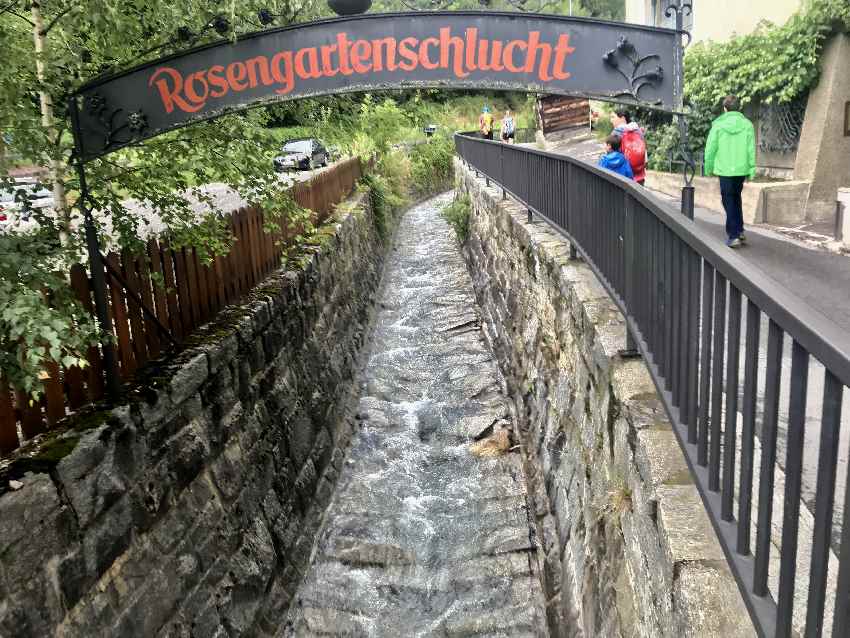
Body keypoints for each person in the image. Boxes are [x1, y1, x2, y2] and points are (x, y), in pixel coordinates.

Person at [704, 95, 756, 248]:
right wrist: (752, 169)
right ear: (739, 108)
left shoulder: (718, 125)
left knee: (728, 200)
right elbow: (751, 149)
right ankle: (739, 230)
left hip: (724, 169)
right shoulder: (747, 125)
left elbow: (711, 149)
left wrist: (708, 168)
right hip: (741, 169)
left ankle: (733, 235)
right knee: (736, 198)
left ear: (725, 109)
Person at [610, 109, 647, 185]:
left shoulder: (616, 132)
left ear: (622, 118)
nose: (611, 120)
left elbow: (610, 157)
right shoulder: (638, 130)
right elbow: (644, 151)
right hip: (639, 176)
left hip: (623, 178)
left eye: (613, 117)